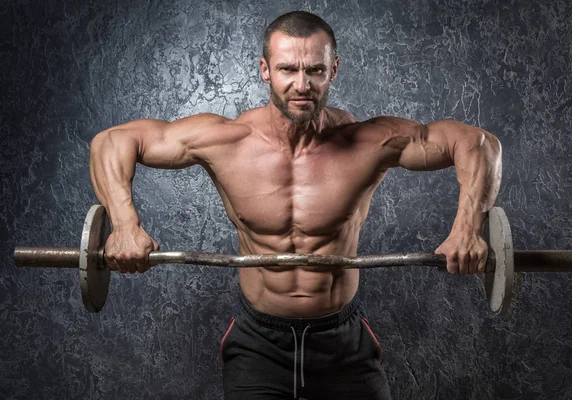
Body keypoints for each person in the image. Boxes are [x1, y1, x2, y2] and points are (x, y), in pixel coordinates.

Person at [89, 10, 502, 400]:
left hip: (342, 343)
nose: (301, 85)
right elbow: (113, 141)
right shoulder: (226, 140)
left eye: (315, 70)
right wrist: (125, 225)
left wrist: (467, 228)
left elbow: (476, 143)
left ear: (333, 70)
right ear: (265, 70)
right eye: (288, 69)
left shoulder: (370, 142)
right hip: (257, 343)